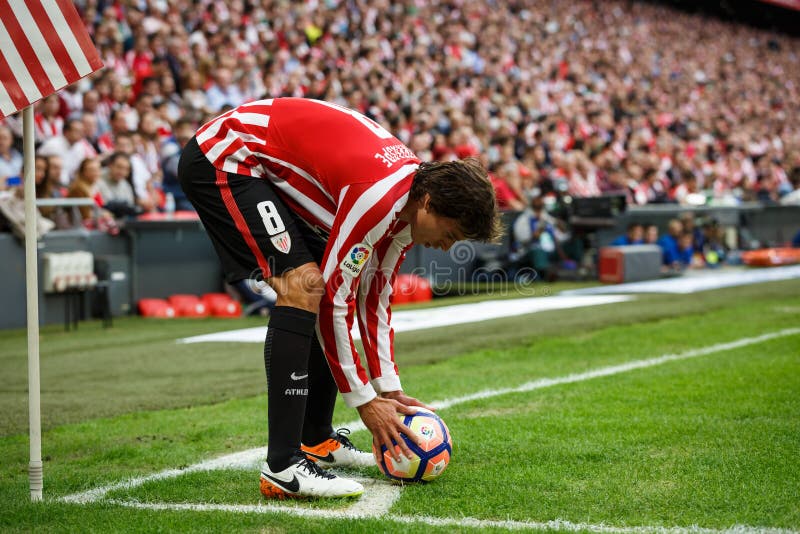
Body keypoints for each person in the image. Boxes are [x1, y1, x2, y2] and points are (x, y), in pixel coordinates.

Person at [178, 98, 501, 500]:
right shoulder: (380, 199)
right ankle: (282, 466)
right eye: (450, 235)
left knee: (324, 284)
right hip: (227, 156)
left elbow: (374, 297)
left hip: (266, 166)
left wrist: (388, 388)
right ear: (430, 205)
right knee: (306, 286)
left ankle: (317, 441)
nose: (446, 248)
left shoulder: (409, 201)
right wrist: (364, 401)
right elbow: (335, 300)